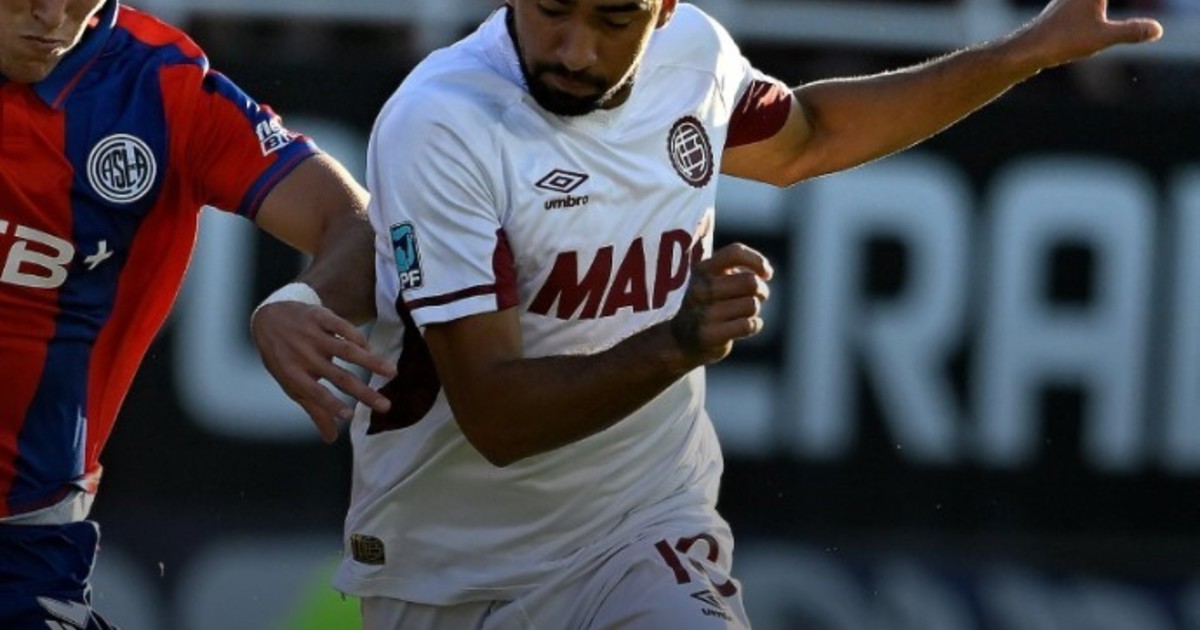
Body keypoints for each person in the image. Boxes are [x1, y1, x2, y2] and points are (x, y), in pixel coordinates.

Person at [252, 0, 1161, 627]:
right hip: (451, 569)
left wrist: (1021, 53)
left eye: (615, 19)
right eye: (552, 10)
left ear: (665, 10)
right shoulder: (443, 120)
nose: (575, 49)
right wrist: (676, 342)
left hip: (641, 524)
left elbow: (810, 136)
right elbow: (496, 415)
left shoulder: (695, 58)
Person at [0, 0, 395, 627]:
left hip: (19, 544)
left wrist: (301, 299)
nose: (53, 14)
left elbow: (361, 227)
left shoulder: (160, 87)